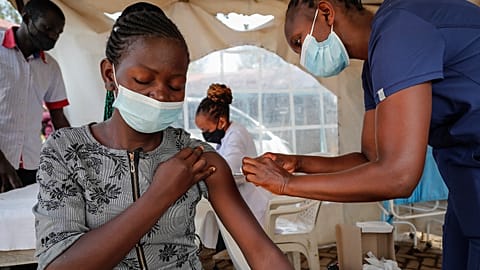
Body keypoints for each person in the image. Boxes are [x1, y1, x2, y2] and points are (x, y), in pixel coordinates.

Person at [33, 3, 293, 270]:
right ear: (110, 76)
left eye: (175, 85)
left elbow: (261, 252)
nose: (160, 94)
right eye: (143, 80)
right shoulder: (66, 152)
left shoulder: (197, 158)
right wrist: (159, 195)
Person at [241, 0, 480, 269]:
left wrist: (287, 184)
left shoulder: (398, 32)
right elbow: (372, 160)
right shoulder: (375, 66)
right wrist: (299, 164)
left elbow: (398, 176)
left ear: (326, 12)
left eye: (298, 42)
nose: (301, 57)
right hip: (465, 181)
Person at [0, 0, 70, 193]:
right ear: (26, 18)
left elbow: (58, 117)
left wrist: (75, 153)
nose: (53, 36)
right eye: (47, 28)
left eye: (58, 33)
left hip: (30, 163)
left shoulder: (51, 67)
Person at [195, 83, 272, 250]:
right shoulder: (229, 134)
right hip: (244, 202)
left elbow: (227, 169)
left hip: (251, 206)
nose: (204, 134)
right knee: (210, 222)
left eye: (205, 129)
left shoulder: (235, 137)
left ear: (221, 121)